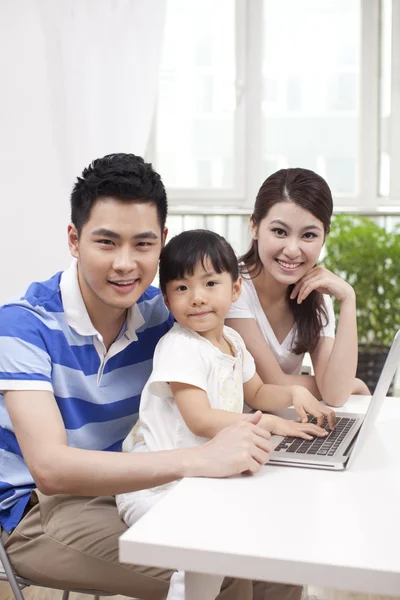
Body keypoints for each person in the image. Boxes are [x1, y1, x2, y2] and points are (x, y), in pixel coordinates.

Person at [0, 153, 275, 600]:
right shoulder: (22, 324)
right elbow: (50, 469)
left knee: (272, 555)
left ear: (162, 243)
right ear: (74, 239)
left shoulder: (166, 313)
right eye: (106, 243)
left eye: (143, 245)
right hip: (36, 510)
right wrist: (199, 462)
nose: (125, 263)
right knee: (221, 565)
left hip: (135, 484)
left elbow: (240, 366)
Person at [117, 229, 335, 600]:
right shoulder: (179, 348)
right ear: (167, 299)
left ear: (234, 291)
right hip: (157, 485)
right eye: (182, 288)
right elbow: (199, 419)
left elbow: (258, 392)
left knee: (270, 519)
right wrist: (267, 422)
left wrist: (295, 391)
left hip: (204, 476)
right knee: (205, 551)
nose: (197, 298)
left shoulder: (232, 342)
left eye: (210, 283)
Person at [226, 167, 370, 408]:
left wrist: (348, 298)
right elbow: (273, 385)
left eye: (309, 235)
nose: (292, 250)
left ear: (325, 236)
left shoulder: (317, 294)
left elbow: (334, 395)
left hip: (283, 424)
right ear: (254, 226)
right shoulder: (232, 287)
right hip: (234, 428)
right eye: (279, 232)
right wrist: (348, 384)